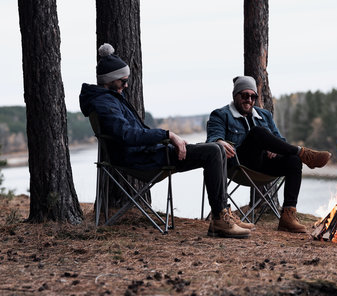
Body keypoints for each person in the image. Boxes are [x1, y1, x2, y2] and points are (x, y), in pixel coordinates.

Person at [79, 44, 252, 238]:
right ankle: (220, 220)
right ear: (109, 80)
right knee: (212, 151)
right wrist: (168, 135)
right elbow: (127, 135)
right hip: (140, 159)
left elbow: (132, 132)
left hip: (148, 153)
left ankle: (222, 213)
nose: (126, 85)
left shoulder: (111, 98)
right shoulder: (104, 103)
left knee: (217, 149)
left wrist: (166, 140)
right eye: (122, 81)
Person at [206, 76, 332, 233]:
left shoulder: (264, 115)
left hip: (264, 164)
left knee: (293, 160)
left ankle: (288, 216)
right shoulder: (221, 115)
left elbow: (280, 140)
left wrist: (275, 146)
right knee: (258, 132)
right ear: (235, 95)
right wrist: (220, 141)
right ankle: (303, 153)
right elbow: (212, 138)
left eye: (253, 96)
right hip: (239, 164)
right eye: (245, 95)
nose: (249, 100)